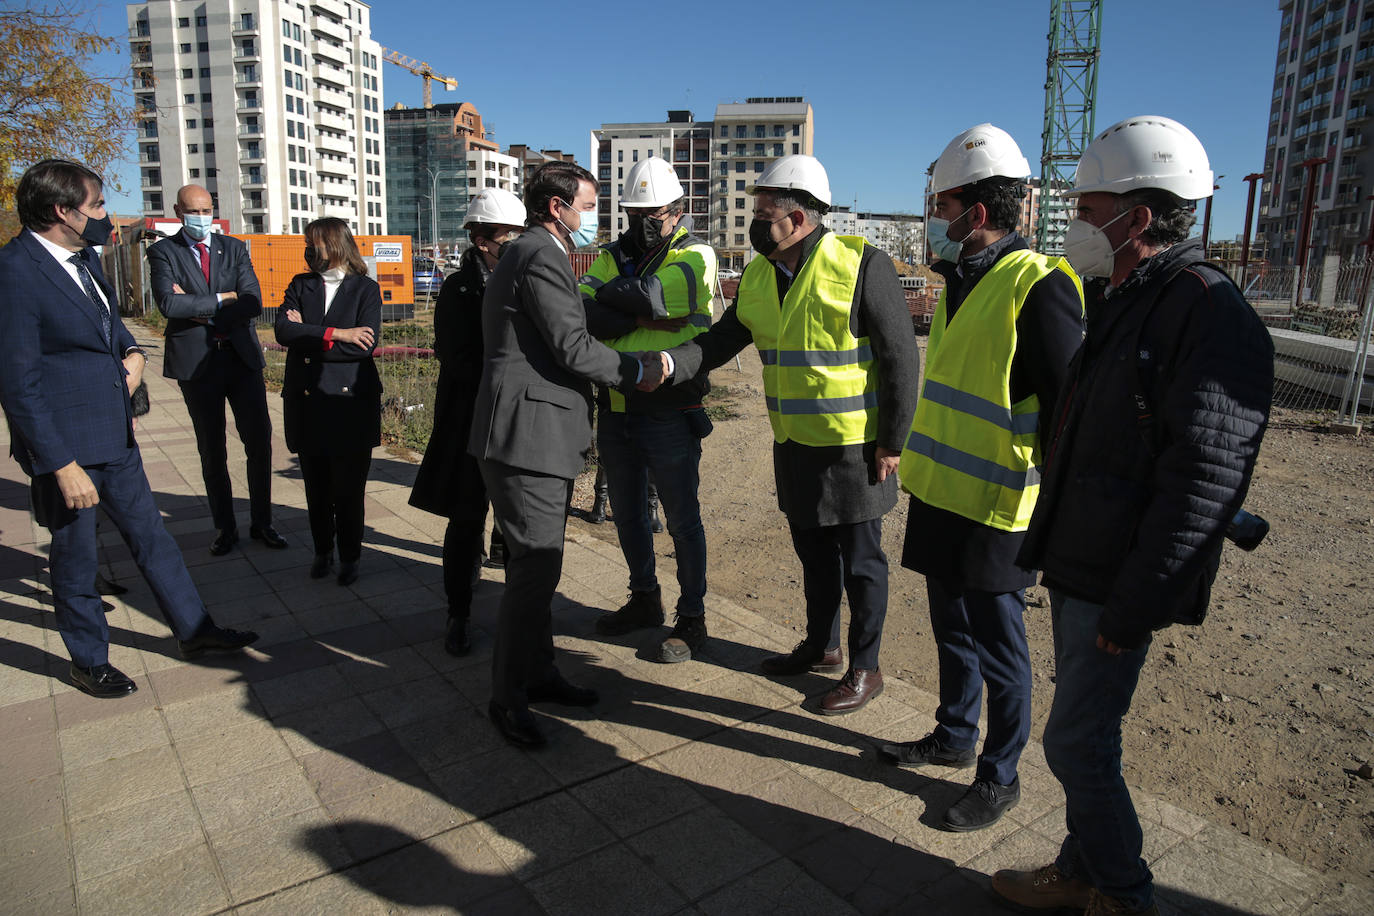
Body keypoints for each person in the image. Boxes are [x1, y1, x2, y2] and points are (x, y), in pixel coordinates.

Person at [990, 116, 1273, 916]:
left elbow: (1205, 479)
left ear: (1136, 218)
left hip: (1120, 578)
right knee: (1086, 737)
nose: (1074, 219)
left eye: (1087, 205)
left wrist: (1140, 600)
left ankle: (1124, 892)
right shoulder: (1128, 296)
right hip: (1085, 561)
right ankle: (1082, 870)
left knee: (1076, 743)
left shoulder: (1206, 310)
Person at [646, 155, 918, 714]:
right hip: (793, 442)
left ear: (797, 217)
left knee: (863, 565)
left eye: (763, 212)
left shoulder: (862, 263)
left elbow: (900, 359)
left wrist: (893, 440)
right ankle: (823, 648)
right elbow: (721, 341)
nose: (754, 220)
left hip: (855, 447)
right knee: (813, 557)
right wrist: (669, 364)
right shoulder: (759, 274)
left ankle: (866, 669)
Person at [877, 125, 1085, 832]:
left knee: (1000, 646)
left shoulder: (1038, 286)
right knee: (951, 631)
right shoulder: (963, 280)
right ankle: (953, 736)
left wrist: (1057, 516)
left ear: (977, 209)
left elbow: (1065, 412)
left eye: (941, 202)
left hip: (998, 506)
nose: (933, 216)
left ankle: (1000, 778)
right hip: (944, 495)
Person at [0, 159, 257, 698]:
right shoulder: (16, 272)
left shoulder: (86, 258)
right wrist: (60, 465)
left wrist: (134, 352)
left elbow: (110, 324)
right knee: (76, 558)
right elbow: (18, 385)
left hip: (115, 435)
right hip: (67, 448)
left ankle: (194, 630)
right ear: (60, 211)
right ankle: (88, 659)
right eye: (95, 206)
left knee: (153, 538)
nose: (104, 216)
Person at [468, 162, 651, 748]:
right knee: (535, 570)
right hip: (528, 437)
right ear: (556, 207)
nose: (591, 216)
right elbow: (572, 346)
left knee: (537, 567)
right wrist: (638, 371)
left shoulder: (526, 252)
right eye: (588, 205)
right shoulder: (541, 254)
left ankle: (540, 674)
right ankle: (506, 697)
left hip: (532, 432)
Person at [579, 156, 717, 663]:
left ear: (678, 210)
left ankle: (693, 618)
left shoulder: (698, 253)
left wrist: (627, 307)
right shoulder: (614, 253)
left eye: (652, 212)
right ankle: (644, 600)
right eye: (634, 212)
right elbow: (581, 307)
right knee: (628, 514)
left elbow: (656, 295)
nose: (642, 222)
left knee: (682, 519)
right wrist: (637, 311)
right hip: (616, 406)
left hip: (669, 408)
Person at [410, 188, 525, 656]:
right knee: (465, 520)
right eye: (508, 236)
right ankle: (458, 613)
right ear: (482, 239)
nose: (516, 244)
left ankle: (522, 618)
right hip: (470, 421)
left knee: (519, 523)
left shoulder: (522, 281)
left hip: (517, 421)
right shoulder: (458, 291)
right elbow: (457, 358)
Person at [146, 184, 286, 556]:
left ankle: (263, 522)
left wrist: (196, 305)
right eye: (194, 211)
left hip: (241, 360)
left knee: (258, 443)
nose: (202, 217)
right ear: (179, 211)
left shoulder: (235, 249)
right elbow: (168, 305)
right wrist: (224, 298)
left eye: (207, 209)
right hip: (197, 366)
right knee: (212, 449)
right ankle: (225, 528)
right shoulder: (162, 252)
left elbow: (253, 302)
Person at [274, 218, 382, 587]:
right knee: (316, 488)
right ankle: (323, 550)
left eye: (314, 243)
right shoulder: (300, 285)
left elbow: (364, 346)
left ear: (335, 244)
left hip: (350, 404)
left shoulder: (365, 289)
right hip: (307, 402)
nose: (309, 249)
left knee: (349, 490)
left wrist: (312, 337)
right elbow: (284, 332)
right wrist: (339, 333)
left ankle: (350, 555)